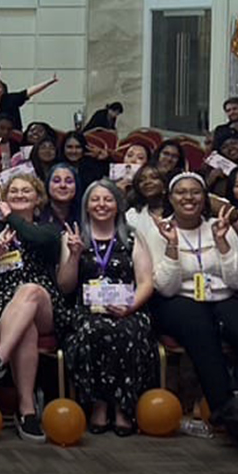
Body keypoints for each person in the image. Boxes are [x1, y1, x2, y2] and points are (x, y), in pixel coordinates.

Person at [144, 173, 238, 451]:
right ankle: (223, 404)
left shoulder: (220, 226)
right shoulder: (159, 230)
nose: (189, 198)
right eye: (181, 192)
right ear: (170, 198)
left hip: (222, 296)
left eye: (196, 192)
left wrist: (222, 243)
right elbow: (165, 287)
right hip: (178, 300)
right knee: (199, 327)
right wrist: (172, 244)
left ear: (205, 198)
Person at [0, 174, 71, 440]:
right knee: (26, 328)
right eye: (13, 191)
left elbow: (36, 239)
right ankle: (27, 411)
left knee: (30, 291)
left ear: (38, 198)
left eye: (26, 191)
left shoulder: (48, 229)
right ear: (5, 197)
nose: (19, 194)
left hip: (44, 301)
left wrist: (9, 216)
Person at [58, 181, 155, 435]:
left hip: (129, 308)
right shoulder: (73, 236)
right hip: (88, 310)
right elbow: (65, 286)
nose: (101, 204)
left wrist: (129, 307)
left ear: (117, 205)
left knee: (127, 332)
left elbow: (146, 282)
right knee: (94, 331)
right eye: (95, 199)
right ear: (86, 206)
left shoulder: (132, 236)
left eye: (108, 199)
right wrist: (74, 255)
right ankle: (99, 405)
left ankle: (123, 407)